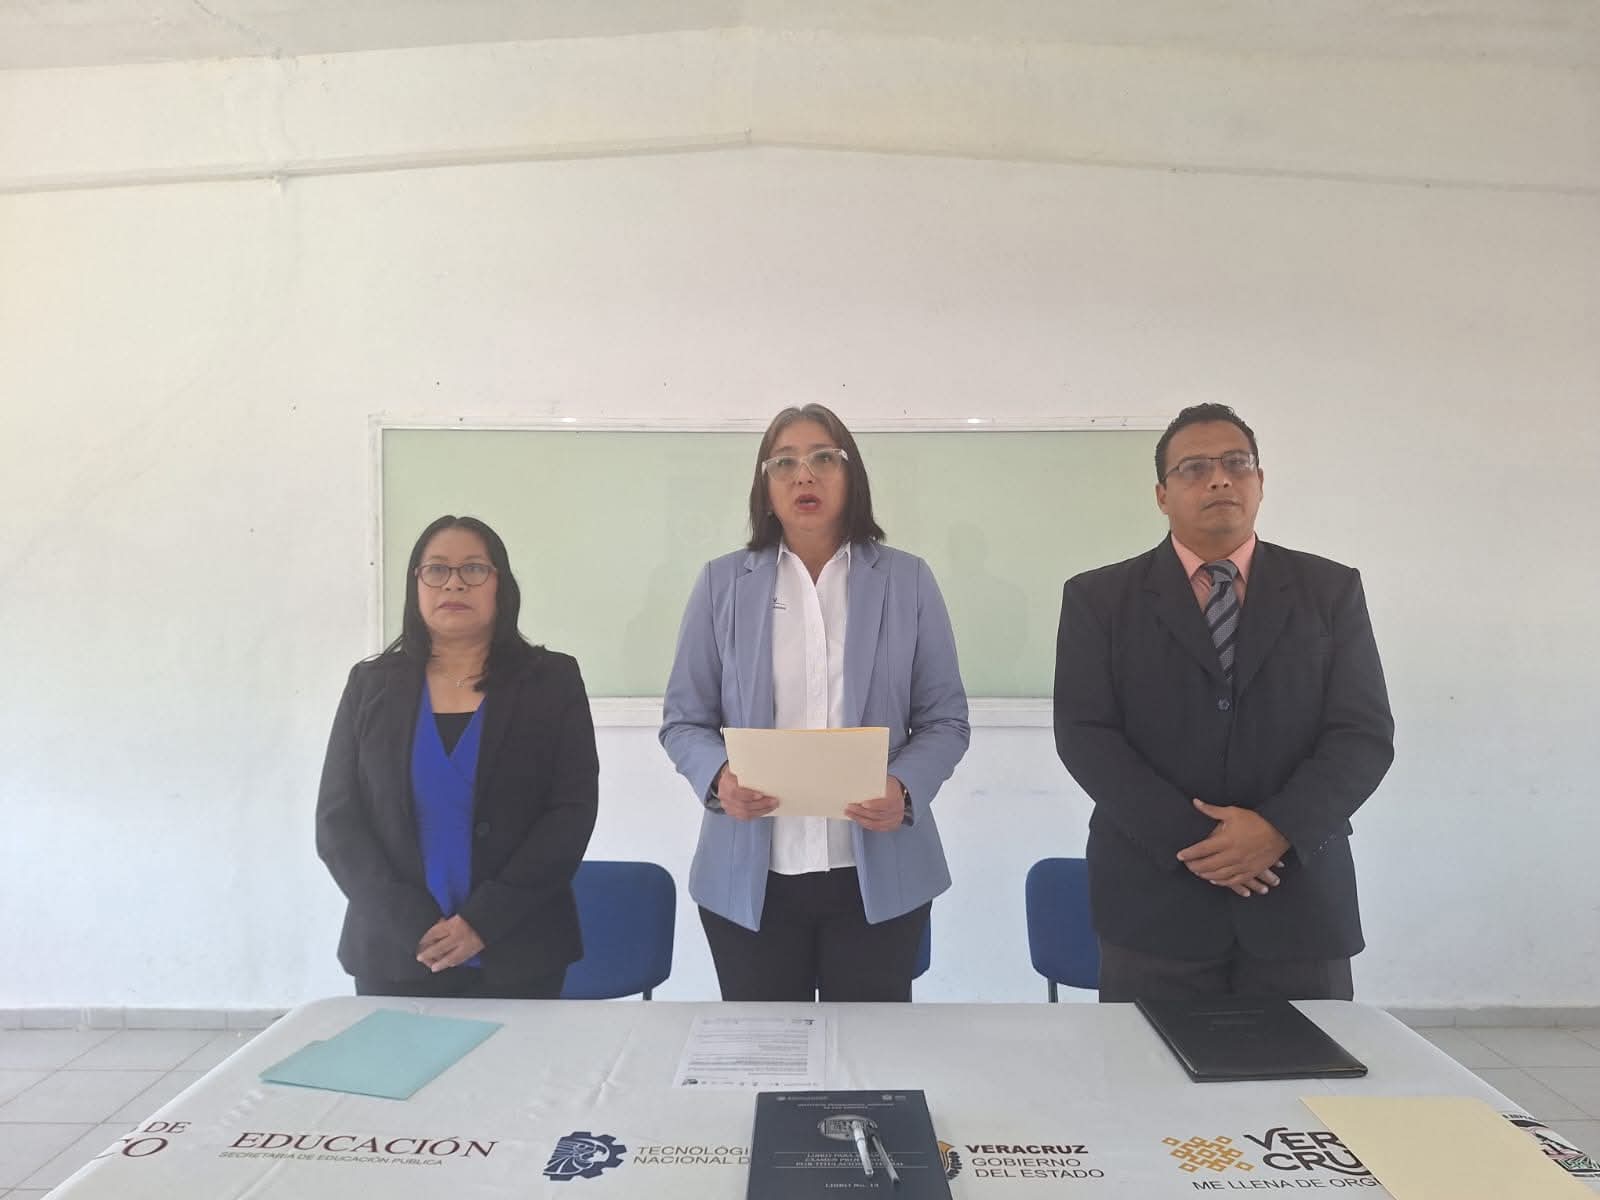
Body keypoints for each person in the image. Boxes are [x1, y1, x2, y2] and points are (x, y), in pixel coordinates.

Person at [1053, 404, 1393, 1002]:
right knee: (1151, 1064)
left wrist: (1277, 830)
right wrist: (1204, 844)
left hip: (1297, 898)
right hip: (1154, 901)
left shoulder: (1330, 589)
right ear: (1162, 495)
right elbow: (1086, 736)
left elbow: (1361, 734)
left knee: (1303, 1064)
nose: (1219, 479)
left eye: (1237, 464)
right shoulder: (1098, 599)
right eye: (1195, 468)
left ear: (1260, 481)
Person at [660, 404, 970, 1002]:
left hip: (877, 872)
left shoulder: (907, 580)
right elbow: (684, 721)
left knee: (867, 1053)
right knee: (767, 1049)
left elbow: (945, 720)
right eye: (784, 463)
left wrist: (904, 788)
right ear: (765, 485)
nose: (804, 475)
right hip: (751, 876)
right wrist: (718, 777)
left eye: (824, 458)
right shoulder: (723, 583)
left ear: (851, 476)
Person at [317, 514, 599, 998]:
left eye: (473, 568)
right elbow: (337, 821)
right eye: (436, 569)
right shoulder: (371, 686)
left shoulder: (550, 681)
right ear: (416, 584)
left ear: (500, 584)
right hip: (398, 951)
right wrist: (411, 924)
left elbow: (570, 814)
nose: (454, 583)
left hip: (519, 949)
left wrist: (483, 922)